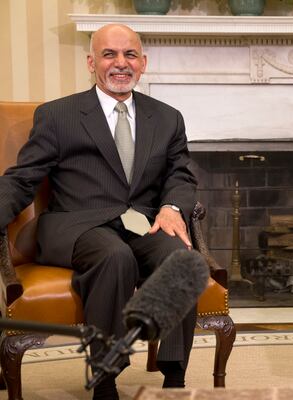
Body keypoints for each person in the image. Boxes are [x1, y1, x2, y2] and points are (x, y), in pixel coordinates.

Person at [0, 24, 202, 399]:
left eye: (129, 55)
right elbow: (22, 178)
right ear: (92, 62)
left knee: (180, 259)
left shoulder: (168, 118)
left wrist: (173, 207)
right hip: (77, 224)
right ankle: (106, 378)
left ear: (143, 63)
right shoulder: (58, 115)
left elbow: (180, 174)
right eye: (109, 54)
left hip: (140, 223)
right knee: (114, 256)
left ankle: (174, 376)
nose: (120, 63)